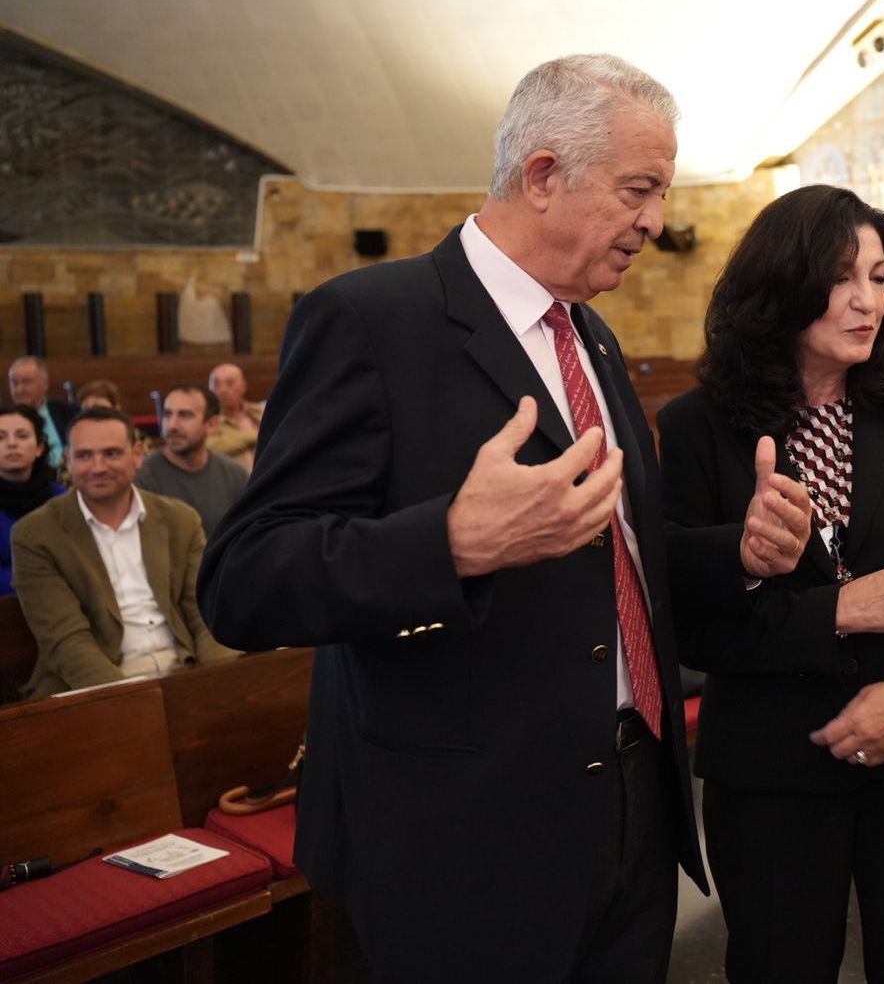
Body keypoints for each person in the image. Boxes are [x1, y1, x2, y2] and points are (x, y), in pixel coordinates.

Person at [197, 54, 710, 982]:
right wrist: (451, 543)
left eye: (661, 195)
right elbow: (245, 579)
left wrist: (740, 553)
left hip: (629, 808)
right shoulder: (370, 319)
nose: (655, 221)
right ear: (543, 175)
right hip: (463, 840)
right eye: (639, 190)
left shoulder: (590, 333)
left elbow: (618, 556)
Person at [658, 184, 884, 984]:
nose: (868, 300)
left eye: (880, 276)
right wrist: (841, 609)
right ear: (781, 285)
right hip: (772, 766)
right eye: (841, 277)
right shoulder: (700, 425)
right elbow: (689, 621)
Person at [11, 408, 237, 697]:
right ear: (68, 460)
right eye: (84, 456)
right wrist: (132, 702)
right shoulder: (35, 534)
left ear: (138, 455)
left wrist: (222, 682)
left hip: (184, 666)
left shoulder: (180, 519)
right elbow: (66, 641)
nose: (98, 467)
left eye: (112, 453)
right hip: (97, 683)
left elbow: (204, 614)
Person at [135, 384, 249, 536]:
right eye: (167, 414)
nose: (172, 425)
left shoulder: (236, 475)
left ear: (212, 424)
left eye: (185, 415)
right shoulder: (142, 476)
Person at [0, 404, 63, 597]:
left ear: (39, 448)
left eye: (22, 436)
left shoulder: (64, 500)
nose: (12, 443)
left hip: (61, 604)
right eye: (1, 437)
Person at [7, 356, 76, 471]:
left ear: (44, 384)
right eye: (14, 383)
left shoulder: (69, 413)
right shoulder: (4, 420)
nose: (19, 390)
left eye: (26, 382)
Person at [206, 362, 264, 468]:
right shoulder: (206, 420)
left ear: (243, 386)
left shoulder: (261, 411)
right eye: (216, 384)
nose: (223, 390)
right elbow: (207, 447)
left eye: (230, 383)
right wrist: (256, 436)